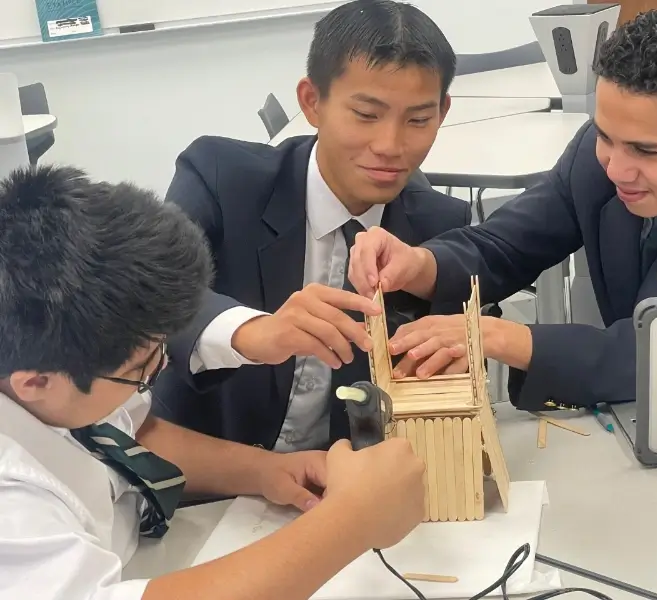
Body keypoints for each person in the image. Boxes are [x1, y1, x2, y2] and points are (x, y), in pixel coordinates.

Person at [0, 165, 426, 600]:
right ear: (34, 382)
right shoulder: (11, 504)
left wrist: (267, 471)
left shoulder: (54, 380)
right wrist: (349, 521)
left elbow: (122, 435)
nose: (159, 370)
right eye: (138, 369)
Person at [346, 6, 657, 411]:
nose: (616, 168)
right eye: (604, 135)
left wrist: (502, 337)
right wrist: (420, 263)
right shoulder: (598, 155)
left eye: (646, 151)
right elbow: (508, 243)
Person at [153, 0, 470, 451]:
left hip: (346, 485)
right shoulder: (221, 177)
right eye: (366, 115)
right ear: (312, 102)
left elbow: (458, 360)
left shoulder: (437, 228)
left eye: (418, 119)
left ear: (442, 111)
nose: (390, 145)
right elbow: (155, 292)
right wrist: (252, 332)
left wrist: (453, 365)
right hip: (204, 481)